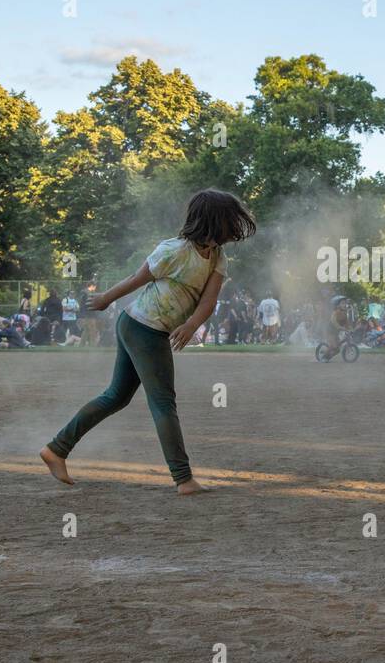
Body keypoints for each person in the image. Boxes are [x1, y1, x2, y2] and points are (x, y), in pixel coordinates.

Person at [40, 189, 256, 494]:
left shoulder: (217, 257)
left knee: (117, 396)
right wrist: (104, 299)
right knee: (163, 403)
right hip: (142, 327)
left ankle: (56, 449)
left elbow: (208, 302)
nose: (234, 227)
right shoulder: (173, 251)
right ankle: (184, 479)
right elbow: (135, 280)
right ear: (213, 221)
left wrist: (191, 325)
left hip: (146, 328)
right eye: (229, 220)